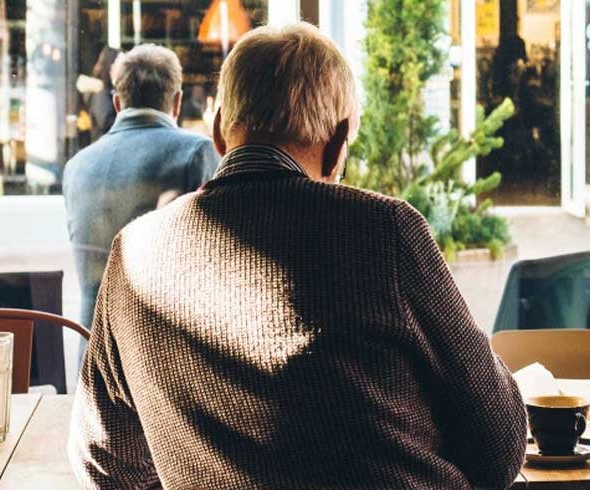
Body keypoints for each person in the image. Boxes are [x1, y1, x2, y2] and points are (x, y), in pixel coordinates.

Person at [69, 23, 527, 489]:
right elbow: (500, 449)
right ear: (337, 144)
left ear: (219, 132)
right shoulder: (385, 233)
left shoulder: (133, 253)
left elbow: (105, 463)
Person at [63, 44, 220, 359]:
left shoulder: (76, 166)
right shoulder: (196, 153)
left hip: (93, 355)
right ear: (176, 102)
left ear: (117, 102)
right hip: (162, 357)